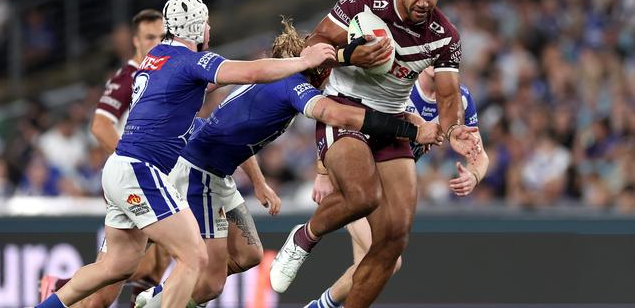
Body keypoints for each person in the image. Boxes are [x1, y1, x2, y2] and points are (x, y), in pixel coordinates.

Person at [36, 0, 335, 308]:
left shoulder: (157, 56)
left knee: (116, 266)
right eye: (205, 23)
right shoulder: (192, 61)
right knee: (193, 257)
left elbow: (192, 89)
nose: (209, 29)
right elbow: (247, 73)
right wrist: (303, 61)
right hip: (143, 170)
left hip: (119, 168)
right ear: (195, 28)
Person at [136, 18, 443, 308]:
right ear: (319, 68)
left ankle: (159, 295)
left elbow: (235, 136)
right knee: (211, 282)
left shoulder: (280, 77)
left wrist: (259, 183)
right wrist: (412, 129)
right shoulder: (292, 86)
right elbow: (340, 115)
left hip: (219, 170)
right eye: (331, 69)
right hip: (199, 171)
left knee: (250, 255)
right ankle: (158, 302)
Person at [269, 0, 481, 307]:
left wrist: (452, 128)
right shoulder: (363, 4)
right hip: (344, 107)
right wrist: (350, 56)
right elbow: (312, 47)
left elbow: (447, 93)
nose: (423, 2)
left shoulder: (445, 35)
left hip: (392, 119)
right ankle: (304, 238)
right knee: (363, 195)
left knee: (394, 239)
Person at [305, 66, 489, 308]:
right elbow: (341, 113)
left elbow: (481, 156)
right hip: (359, 181)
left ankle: (319, 306)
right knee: (387, 258)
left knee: (368, 268)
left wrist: (473, 176)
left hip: (390, 189)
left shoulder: (460, 99)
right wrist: (323, 172)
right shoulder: (399, 85)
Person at [38, 9, 172, 307]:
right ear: (136, 42)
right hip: (137, 182)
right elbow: (99, 125)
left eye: (161, 37)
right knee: (107, 289)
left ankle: (61, 288)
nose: (156, 43)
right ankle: (60, 288)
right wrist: (134, 162)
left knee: (153, 269)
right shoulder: (130, 77)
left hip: (158, 180)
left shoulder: (162, 70)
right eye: (149, 37)